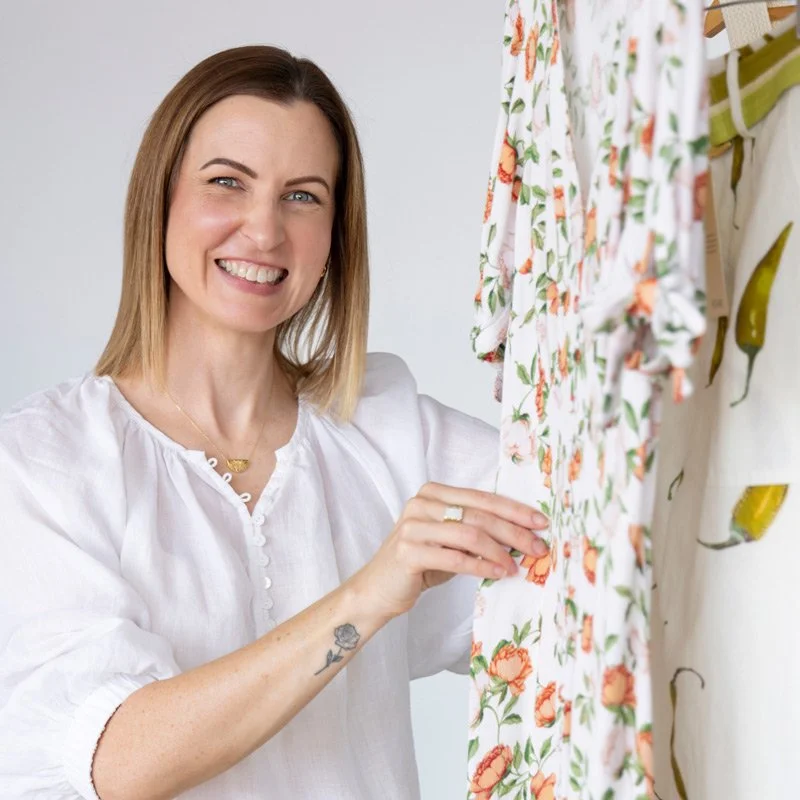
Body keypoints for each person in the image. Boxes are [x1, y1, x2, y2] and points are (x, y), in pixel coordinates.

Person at [0, 45, 549, 800]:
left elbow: (597, 519)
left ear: (335, 236)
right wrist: (367, 595)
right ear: (161, 198)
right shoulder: (47, 461)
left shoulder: (391, 436)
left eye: (303, 196)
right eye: (227, 182)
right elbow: (118, 759)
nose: (263, 231)